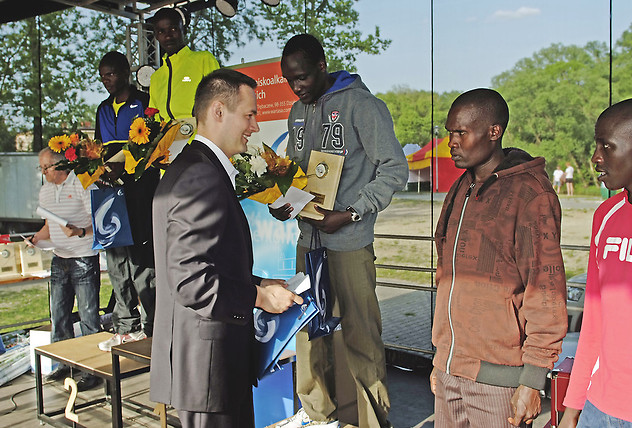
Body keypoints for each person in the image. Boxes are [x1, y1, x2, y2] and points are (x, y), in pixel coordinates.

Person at [149, 69, 303, 428]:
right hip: (208, 367)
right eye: (249, 115)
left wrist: (260, 284)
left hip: (206, 367)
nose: (254, 126)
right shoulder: (200, 176)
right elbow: (191, 281)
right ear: (218, 111)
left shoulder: (194, 169)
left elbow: (208, 262)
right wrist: (259, 297)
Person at [271, 34, 408, 428]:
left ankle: (374, 419)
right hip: (308, 242)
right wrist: (285, 201)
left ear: (321, 65)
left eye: (301, 77)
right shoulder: (297, 111)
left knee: (361, 335)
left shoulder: (362, 105)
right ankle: (318, 415)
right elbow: (296, 172)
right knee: (306, 332)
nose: (296, 87)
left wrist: (350, 214)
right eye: (289, 80)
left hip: (349, 242)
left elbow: (394, 169)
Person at [430, 88, 567, 428]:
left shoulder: (531, 194)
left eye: (461, 132)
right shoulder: (460, 188)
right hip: (449, 372)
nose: (451, 143)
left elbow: (546, 290)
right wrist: (441, 360)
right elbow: (446, 275)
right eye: (449, 133)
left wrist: (533, 379)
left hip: (499, 382)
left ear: (494, 132)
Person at [558, 99, 632, 428]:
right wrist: (573, 407)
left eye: (607, 146)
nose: (595, 158)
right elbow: (593, 321)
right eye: (596, 145)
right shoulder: (606, 215)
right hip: (599, 408)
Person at [94, 51, 159, 351]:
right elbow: (98, 149)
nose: (107, 81)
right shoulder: (102, 109)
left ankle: (152, 326)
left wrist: (127, 168)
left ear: (126, 72)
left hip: (140, 192)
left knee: (143, 261)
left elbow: (153, 146)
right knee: (116, 260)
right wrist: (97, 171)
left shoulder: (144, 102)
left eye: (111, 74)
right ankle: (125, 326)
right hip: (110, 195)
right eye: (103, 76)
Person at [30, 148, 102, 391]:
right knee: (59, 315)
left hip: (83, 257)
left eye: (46, 167)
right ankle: (64, 363)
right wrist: (35, 239)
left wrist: (80, 231)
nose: (43, 172)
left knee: (88, 315)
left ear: (60, 165)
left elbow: (100, 220)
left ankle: (93, 369)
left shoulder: (82, 184)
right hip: (59, 257)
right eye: (41, 168)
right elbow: (48, 226)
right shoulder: (45, 191)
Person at [148, 7, 220, 160]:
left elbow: (220, 101)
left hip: (201, 151)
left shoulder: (203, 59)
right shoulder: (156, 78)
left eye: (173, 29)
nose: (168, 35)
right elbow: (154, 120)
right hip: (169, 156)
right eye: (161, 31)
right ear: (156, 36)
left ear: (184, 29)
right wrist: (156, 154)